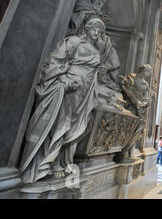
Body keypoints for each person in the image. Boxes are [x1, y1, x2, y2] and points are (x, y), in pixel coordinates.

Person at [20, 18, 107, 183]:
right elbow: (56, 61)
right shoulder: (74, 42)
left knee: (73, 127)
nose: (96, 33)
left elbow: (93, 73)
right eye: (94, 29)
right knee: (60, 123)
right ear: (86, 29)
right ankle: (45, 164)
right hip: (69, 88)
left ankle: (60, 162)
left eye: (99, 31)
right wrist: (64, 80)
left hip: (84, 93)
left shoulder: (96, 50)